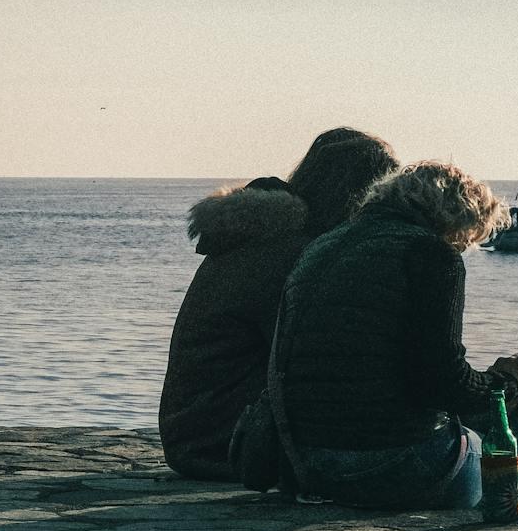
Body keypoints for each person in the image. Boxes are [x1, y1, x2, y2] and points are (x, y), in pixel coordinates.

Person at [270, 161, 518, 524]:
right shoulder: (431, 254)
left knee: (496, 409)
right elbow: (441, 382)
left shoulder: (323, 247)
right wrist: (502, 384)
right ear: (460, 218)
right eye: (469, 236)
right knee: (506, 421)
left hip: (304, 464)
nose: (465, 245)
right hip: (387, 468)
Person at [158, 128, 398, 479]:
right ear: (357, 194)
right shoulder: (292, 256)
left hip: (200, 432)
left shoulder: (262, 242)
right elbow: (313, 360)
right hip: (228, 442)